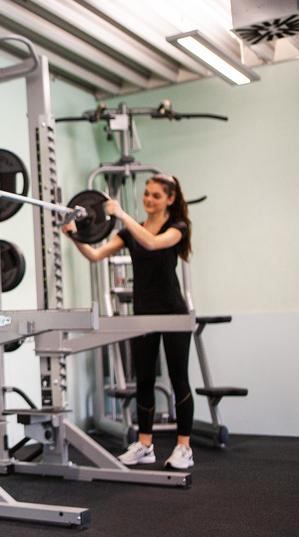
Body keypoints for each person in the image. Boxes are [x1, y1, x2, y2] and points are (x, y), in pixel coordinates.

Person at [63, 174, 195, 470]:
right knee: (144, 379)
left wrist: (122, 215)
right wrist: (74, 235)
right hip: (143, 312)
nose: (149, 200)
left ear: (170, 200)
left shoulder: (178, 228)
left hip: (173, 311)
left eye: (156, 196)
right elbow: (96, 255)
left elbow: (151, 243)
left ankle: (184, 447)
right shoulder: (130, 231)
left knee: (178, 378)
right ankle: (145, 445)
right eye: (146, 194)